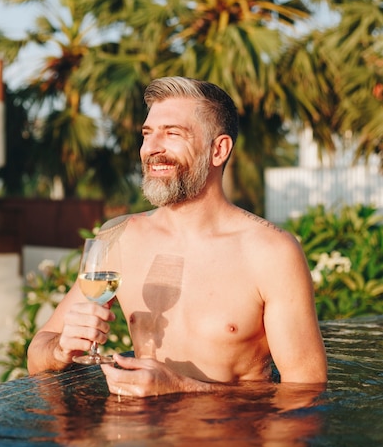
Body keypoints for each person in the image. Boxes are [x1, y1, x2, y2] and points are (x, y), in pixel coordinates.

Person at [27, 76, 327, 396]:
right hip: (147, 440)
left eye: (172, 134)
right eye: (147, 134)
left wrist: (183, 387)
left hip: (233, 441)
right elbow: (37, 354)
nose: (152, 148)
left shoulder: (272, 252)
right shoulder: (119, 237)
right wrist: (61, 349)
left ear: (218, 150)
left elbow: (306, 393)